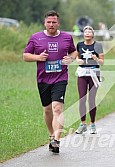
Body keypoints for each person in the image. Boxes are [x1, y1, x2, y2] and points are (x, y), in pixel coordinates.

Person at [23, 10, 77, 153]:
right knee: (47, 110)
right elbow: (25, 56)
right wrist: (38, 58)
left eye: (54, 22)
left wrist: (70, 59)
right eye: (49, 22)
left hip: (60, 77)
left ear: (58, 23)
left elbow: (74, 51)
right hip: (43, 79)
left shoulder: (66, 37)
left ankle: (57, 140)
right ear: (44, 23)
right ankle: (51, 134)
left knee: (57, 108)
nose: (51, 24)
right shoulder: (36, 38)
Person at [75, 26, 104, 134]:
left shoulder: (98, 45)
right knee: (82, 99)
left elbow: (102, 62)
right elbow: (77, 57)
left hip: (94, 74)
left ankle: (92, 124)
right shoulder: (79, 44)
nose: (87, 33)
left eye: (89, 32)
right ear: (83, 34)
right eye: (85, 32)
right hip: (82, 73)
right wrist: (78, 60)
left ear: (92, 34)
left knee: (91, 100)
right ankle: (83, 124)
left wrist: (96, 59)